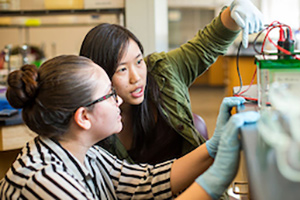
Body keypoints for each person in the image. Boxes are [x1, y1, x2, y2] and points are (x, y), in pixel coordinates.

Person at [0, 55, 259, 200]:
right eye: (109, 94)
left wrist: (214, 147)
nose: (119, 100)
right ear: (83, 118)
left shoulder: (82, 150)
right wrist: (211, 184)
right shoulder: (45, 181)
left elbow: (142, 182)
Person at [79, 0, 264, 166]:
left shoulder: (163, 71)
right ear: (99, 75)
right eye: (122, 69)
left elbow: (206, 45)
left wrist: (233, 12)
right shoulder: (89, 122)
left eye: (138, 61)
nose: (136, 78)